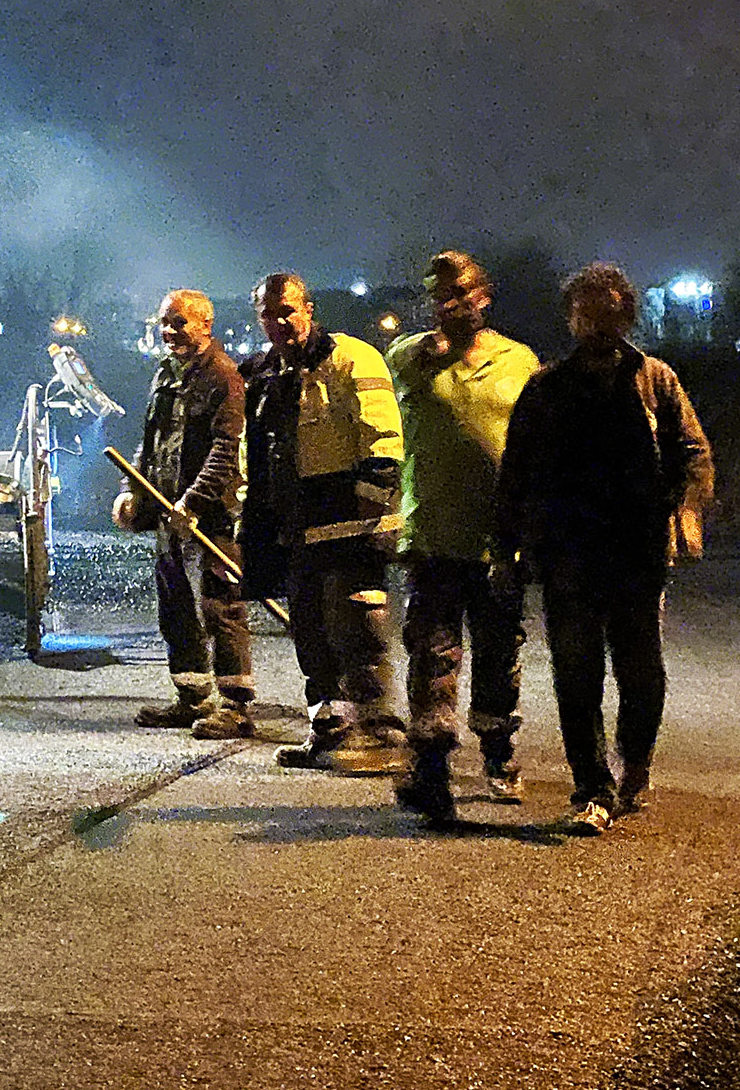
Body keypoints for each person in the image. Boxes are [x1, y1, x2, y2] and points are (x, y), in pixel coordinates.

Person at [495, 262, 713, 835]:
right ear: (570, 318)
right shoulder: (544, 388)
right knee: (576, 670)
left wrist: (688, 513)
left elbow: (694, 452)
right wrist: (506, 548)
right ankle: (590, 786)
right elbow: (514, 474)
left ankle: (634, 765)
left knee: (641, 670)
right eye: (585, 311)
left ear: (627, 314)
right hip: (567, 552)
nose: (597, 323)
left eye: (609, 311)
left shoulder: (655, 379)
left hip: (638, 552)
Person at [386, 252, 541, 825]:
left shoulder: (519, 360)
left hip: (501, 537)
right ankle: (431, 765)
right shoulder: (410, 357)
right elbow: (400, 372)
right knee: (432, 651)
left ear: (484, 295)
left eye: (460, 292)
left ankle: (498, 754)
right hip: (433, 532)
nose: (449, 303)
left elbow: (539, 439)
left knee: (500, 652)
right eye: (438, 295)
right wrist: (434, 351)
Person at [239, 272, 408, 774]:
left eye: (288, 310)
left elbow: (383, 437)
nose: (281, 321)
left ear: (309, 309)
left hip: (349, 524)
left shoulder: (351, 357)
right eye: (270, 314)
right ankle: (330, 730)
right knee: (309, 631)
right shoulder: (263, 375)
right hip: (296, 527)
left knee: (356, 624)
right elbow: (257, 451)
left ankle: (378, 731)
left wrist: (374, 504)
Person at [112, 290, 254, 738]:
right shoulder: (165, 375)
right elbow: (149, 442)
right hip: (167, 513)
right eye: (165, 322)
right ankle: (192, 697)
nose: (169, 331)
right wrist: (131, 490)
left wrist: (191, 503)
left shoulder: (224, 377)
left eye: (179, 323)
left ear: (205, 325)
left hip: (211, 515)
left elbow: (225, 450)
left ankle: (235, 708)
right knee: (175, 606)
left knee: (221, 606)